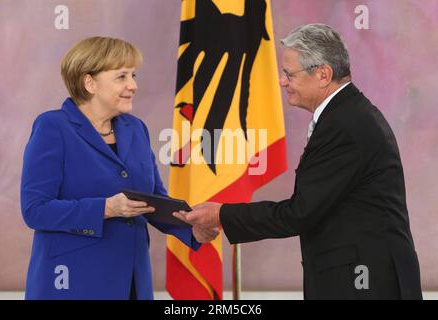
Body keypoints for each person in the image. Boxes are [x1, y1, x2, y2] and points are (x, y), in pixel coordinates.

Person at [174, 24, 422, 300]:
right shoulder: (347, 115)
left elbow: (300, 213)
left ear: (323, 74)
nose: (282, 81)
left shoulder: (345, 126)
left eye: (289, 74)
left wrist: (221, 214)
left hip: (365, 284)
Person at [20, 36, 218, 300]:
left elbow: (153, 200)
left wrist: (190, 228)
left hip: (133, 281)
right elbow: (35, 210)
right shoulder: (52, 127)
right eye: (122, 76)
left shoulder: (135, 128)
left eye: (133, 75)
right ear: (89, 82)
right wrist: (106, 208)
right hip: (73, 283)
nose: (133, 85)